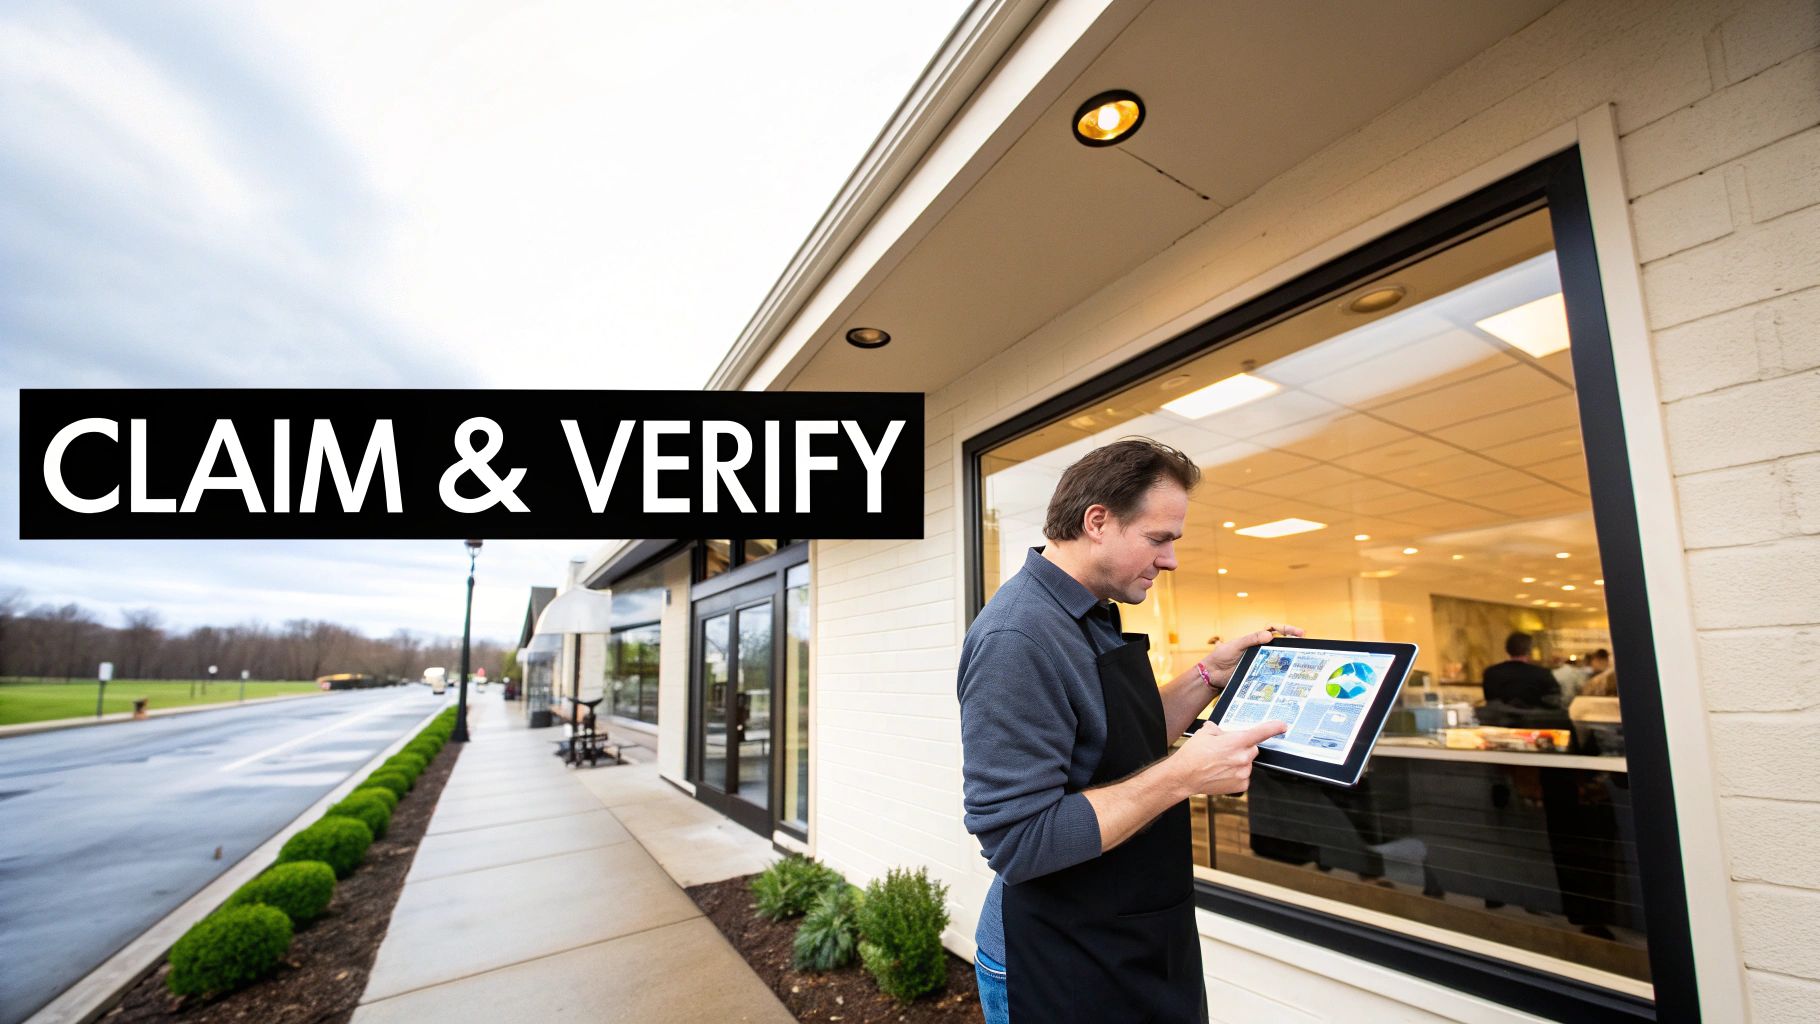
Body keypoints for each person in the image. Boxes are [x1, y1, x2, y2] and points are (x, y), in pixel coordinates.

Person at [958, 437, 1298, 1024]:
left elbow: (1120, 741)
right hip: (1058, 959)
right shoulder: (1017, 639)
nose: (1170, 560)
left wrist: (1206, 676)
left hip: (1130, 935)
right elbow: (1019, 841)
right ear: (1098, 522)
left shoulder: (1092, 610)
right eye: (1159, 539)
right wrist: (1183, 776)